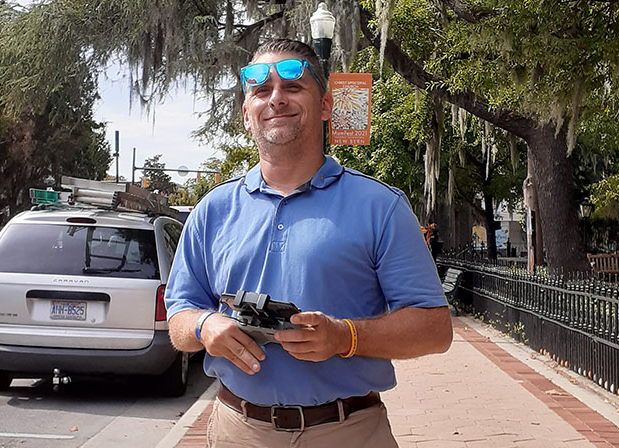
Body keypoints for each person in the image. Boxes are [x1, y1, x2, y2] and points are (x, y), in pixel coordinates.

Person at [165, 38, 452, 448]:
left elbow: (434, 328)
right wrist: (205, 324)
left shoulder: (380, 207)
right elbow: (178, 316)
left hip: (348, 431)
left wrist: (343, 336)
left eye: (293, 87)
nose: (276, 99)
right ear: (247, 115)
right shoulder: (212, 211)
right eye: (262, 92)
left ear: (326, 107)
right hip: (237, 431)